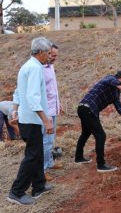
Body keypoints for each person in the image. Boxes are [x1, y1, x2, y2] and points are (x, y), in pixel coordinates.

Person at [7, 37, 54, 205]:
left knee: (37, 152)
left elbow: (18, 91)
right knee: (32, 156)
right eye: (48, 53)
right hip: (32, 119)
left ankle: (38, 185)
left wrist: (14, 109)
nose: (49, 56)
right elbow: (33, 98)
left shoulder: (27, 66)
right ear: (40, 52)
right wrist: (46, 120)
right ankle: (16, 192)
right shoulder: (34, 68)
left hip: (28, 118)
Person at [74, 70, 121, 172]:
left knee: (86, 133)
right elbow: (113, 81)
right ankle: (101, 165)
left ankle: (78, 158)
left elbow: (120, 110)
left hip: (88, 110)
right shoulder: (109, 79)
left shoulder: (115, 93)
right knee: (101, 135)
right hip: (87, 108)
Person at [43, 44, 62, 181]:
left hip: (53, 108)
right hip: (45, 112)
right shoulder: (39, 70)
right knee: (46, 141)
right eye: (53, 55)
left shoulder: (51, 67)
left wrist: (58, 104)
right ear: (46, 53)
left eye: (56, 55)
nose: (55, 58)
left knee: (51, 140)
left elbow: (52, 89)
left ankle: (49, 163)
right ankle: (42, 171)